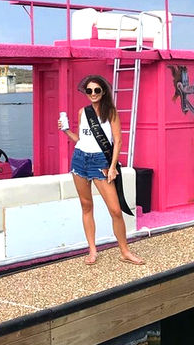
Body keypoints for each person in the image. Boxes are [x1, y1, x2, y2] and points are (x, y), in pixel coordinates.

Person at [58, 75, 145, 265]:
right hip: (80, 159)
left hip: (101, 163)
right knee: (86, 205)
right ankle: (92, 250)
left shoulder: (110, 113)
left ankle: (125, 251)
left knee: (115, 210)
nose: (93, 94)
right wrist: (65, 131)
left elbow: (118, 141)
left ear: (103, 91)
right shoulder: (83, 112)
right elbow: (81, 140)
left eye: (97, 90)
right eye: (89, 91)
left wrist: (113, 167)